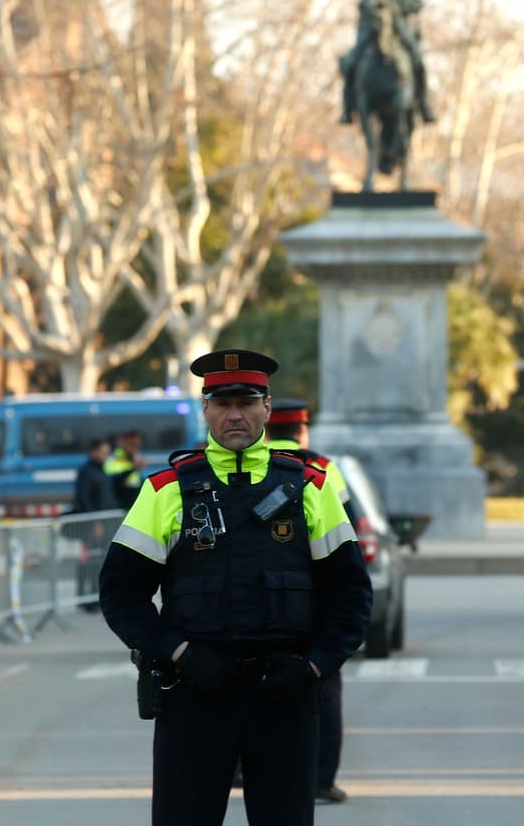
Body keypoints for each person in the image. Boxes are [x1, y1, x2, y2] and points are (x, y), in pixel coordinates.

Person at [98, 350, 373, 826]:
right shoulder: (166, 491)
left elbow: (350, 594)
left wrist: (313, 667)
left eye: (246, 402)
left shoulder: (310, 487)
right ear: (205, 410)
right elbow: (121, 594)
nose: (234, 415)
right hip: (196, 694)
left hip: (284, 697)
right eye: (222, 404)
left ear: (267, 408)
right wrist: (179, 653)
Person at [264, 398, 352, 805]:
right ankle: (319, 779)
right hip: (311, 597)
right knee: (324, 686)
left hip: (257, 596)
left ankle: (240, 766)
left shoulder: (247, 463)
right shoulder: (322, 469)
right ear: (302, 430)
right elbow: (343, 527)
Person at [339, 0, 437, 125]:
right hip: (372, 29)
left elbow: (416, 4)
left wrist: (394, 0)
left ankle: (424, 105)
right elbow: (362, 6)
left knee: (417, 60)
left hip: (398, 28)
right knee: (350, 63)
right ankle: (347, 109)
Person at [105, 428, 147, 510]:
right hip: (120, 508)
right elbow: (114, 482)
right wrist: (133, 468)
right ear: (123, 444)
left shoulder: (133, 460)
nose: (136, 448)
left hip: (132, 507)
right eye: (132, 444)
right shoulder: (114, 460)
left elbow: (135, 483)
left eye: (138, 445)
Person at [75, 438, 118, 514]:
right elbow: (83, 498)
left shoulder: (104, 470)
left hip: (108, 517)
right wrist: (93, 520)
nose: (106, 456)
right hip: (97, 519)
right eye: (103, 453)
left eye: (107, 453)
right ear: (93, 452)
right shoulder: (86, 472)